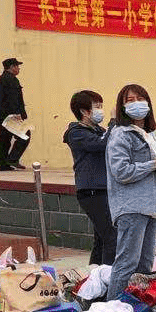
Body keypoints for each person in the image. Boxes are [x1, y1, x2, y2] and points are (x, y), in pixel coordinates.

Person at [105, 84, 156, 300]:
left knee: (145, 263)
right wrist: (154, 164)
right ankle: (112, 309)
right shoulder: (121, 135)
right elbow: (121, 171)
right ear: (122, 107)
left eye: (140, 98)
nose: (136, 104)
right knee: (127, 262)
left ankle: (139, 306)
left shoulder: (151, 135)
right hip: (132, 206)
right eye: (130, 100)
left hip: (151, 206)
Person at [63, 89, 116, 265]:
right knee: (111, 237)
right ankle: (108, 279)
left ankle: (94, 275)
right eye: (97, 106)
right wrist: (114, 122)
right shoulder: (76, 133)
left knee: (102, 238)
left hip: (105, 188)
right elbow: (103, 144)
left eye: (101, 106)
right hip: (91, 190)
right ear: (84, 111)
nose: (100, 110)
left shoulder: (98, 130)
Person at [0, 57, 30, 170]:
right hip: (10, 116)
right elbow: (13, 99)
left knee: (4, 139)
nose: (18, 68)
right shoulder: (11, 80)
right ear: (11, 67)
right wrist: (17, 114)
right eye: (17, 66)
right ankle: (12, 159)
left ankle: (3, 165)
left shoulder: (1, 79)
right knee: (25, 135)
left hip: (1, 116)